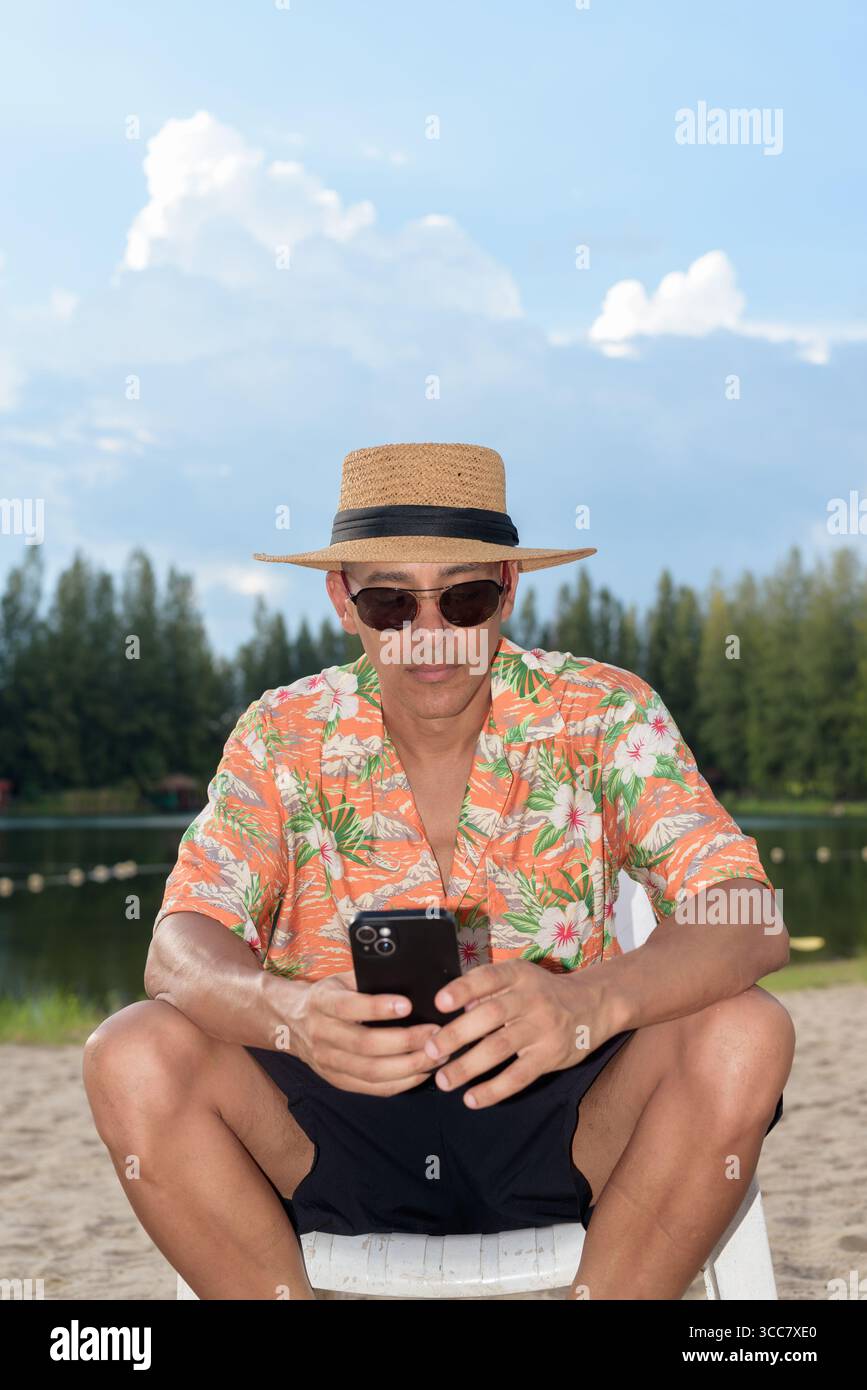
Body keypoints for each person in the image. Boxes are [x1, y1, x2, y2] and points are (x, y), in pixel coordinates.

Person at [83, 442, 794, 1300]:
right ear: (342, 599)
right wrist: (289, 1013)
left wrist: (589, 1002)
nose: (430, 636)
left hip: (569, 1121)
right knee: (128, 1052)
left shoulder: (603, 711)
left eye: (462, 598)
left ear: (507, 588)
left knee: (746, 1032)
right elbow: (179, 948)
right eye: (390, 600)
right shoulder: (282, 730)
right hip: (328, 1128)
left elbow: (748, 913)